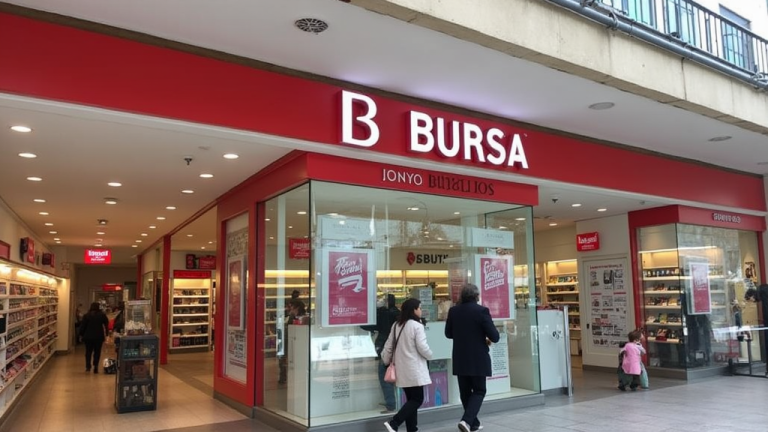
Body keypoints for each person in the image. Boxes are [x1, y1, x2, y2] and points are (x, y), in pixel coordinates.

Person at [445, 284, 500, 432]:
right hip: (477, 357)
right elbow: (495, 337)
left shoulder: (453, 311)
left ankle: (473, 424)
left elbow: (448, 334)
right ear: (476, 296)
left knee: (465, 392)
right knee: (479, 390)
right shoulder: (482, 311)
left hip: (460, 357)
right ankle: (467, 420)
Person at [382, 298, 432, 432]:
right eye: (419, 308)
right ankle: (394, 422)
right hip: (414, 369)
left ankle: (412, 429)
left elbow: (388, 346)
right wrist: (430, 355)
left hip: (401, 368)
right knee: (417, 399)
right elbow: (422, 347)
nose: (421, 310)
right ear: (413, 310)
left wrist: (385, 360)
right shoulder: (417, 326)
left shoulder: (396, 325)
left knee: (411, 400)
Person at [362, 294, 400, 413]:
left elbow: (367, 325)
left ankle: (390, 404)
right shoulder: (398, 314)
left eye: (383, 300)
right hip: (397, 348)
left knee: (385, 376)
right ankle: (400, 401)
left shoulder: (383, 313)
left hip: (384, 346)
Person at [78, 302, 109, 373]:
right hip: (98, 336)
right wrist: (107, 334)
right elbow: (106, 324)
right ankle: (96, 366)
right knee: (97, 352)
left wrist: (81, 334)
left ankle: (88, 366)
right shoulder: (102, 315)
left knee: (88, 352)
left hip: (88, 337)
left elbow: (83, 326)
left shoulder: (86, 315)